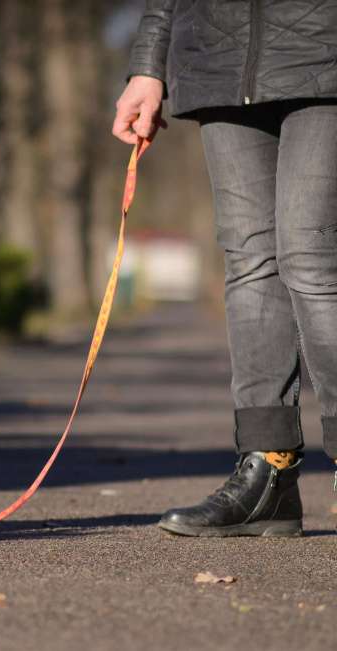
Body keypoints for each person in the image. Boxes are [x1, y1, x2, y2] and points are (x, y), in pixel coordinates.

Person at [113, 1, 337, 537]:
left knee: (310, 257)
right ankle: (270, 474)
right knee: (249, 262)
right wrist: (148, 64)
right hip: (219, 55)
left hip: (324, 49)